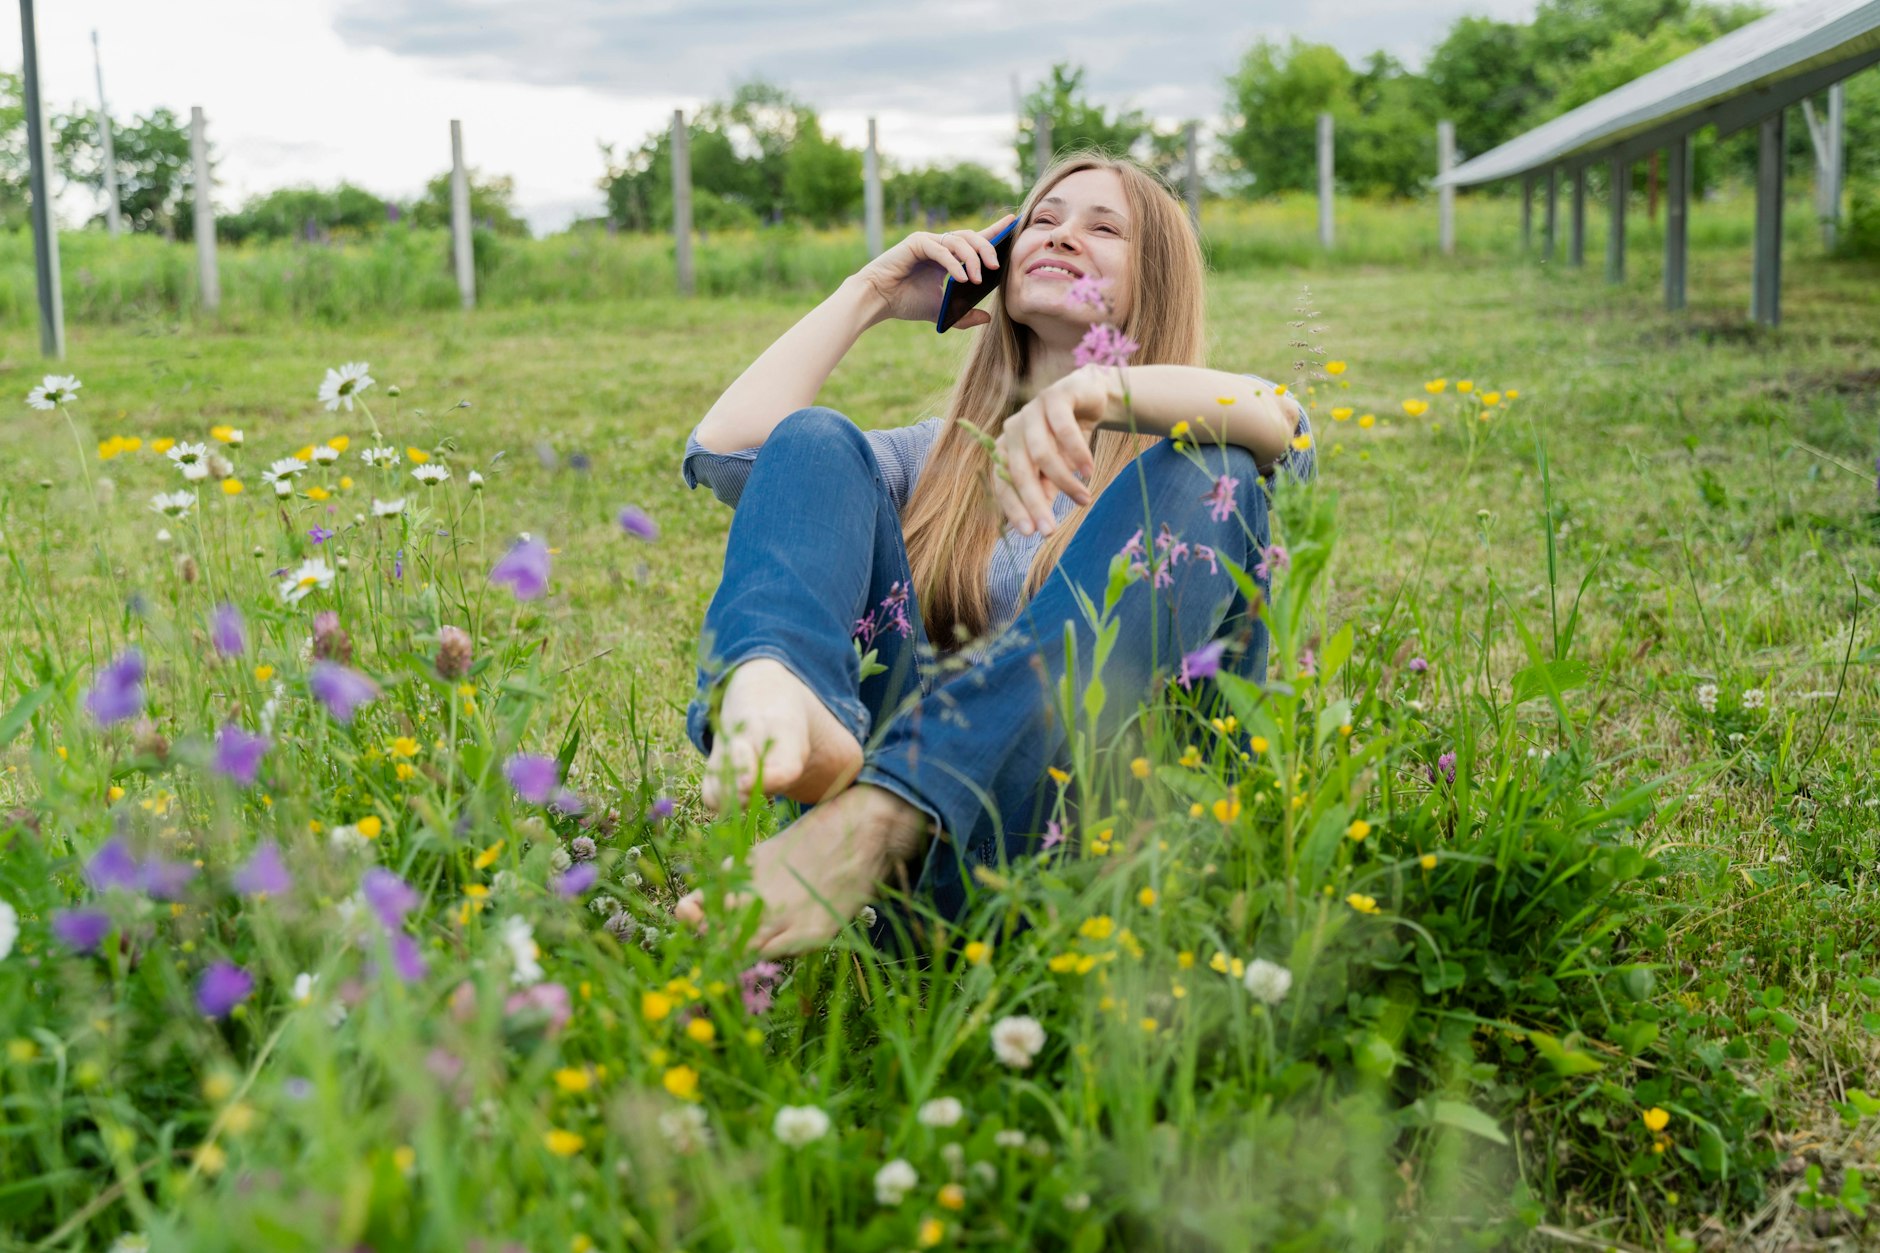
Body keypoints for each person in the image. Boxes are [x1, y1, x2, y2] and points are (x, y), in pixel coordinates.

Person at [673, 153, 1316, 956]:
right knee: (808, 440)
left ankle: (888, 809)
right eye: (1042, 219)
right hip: (912, 885)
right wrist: (868, 294)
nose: (1062, 234)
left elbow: (1280, 427)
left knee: (1215, 464)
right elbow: (730, 452)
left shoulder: (1193, 464)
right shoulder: (931, 461)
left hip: (1101, 871)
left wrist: (1096, 392)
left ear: (1157, 276)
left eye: (1103, 225)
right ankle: (778, 680)